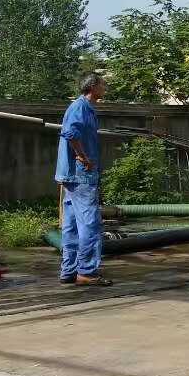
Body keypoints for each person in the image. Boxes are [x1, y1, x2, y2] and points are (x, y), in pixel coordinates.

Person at [55, 74, 110, 287]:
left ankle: (69, 270)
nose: (105, 88)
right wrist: (82, 156)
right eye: (102, 84)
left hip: (72, 175)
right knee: (89, 223)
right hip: (81, 175)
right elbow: (70, 133)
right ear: (93, 87)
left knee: (71, 225)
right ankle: (87, 271)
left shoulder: (84, 108)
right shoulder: (80, 107)